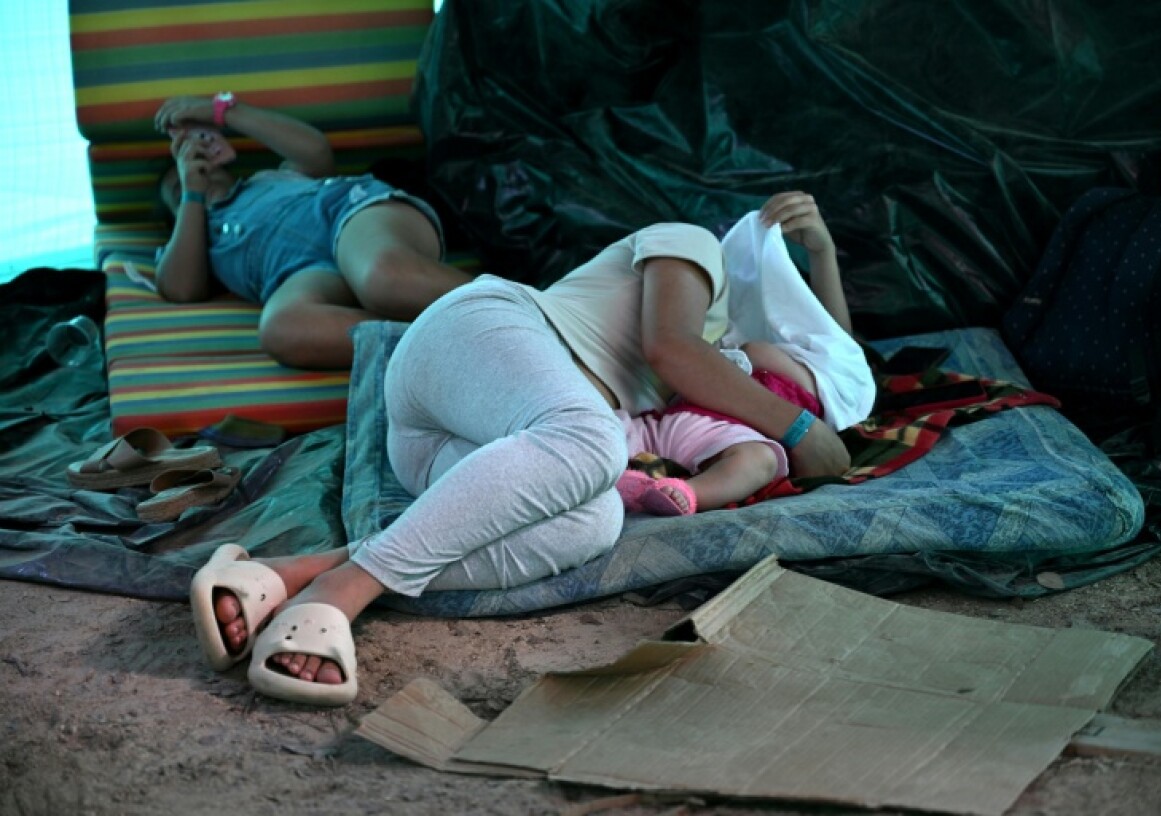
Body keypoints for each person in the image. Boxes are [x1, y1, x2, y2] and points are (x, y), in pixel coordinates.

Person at [190, 191, 852, 705]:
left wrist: (823, 259)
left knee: (595, 520)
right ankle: (343, 592)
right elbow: (670, 348)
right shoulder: (692, 244)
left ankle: (286, 574)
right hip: (477, 333)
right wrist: (802, 430)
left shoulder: (727, 355)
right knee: (592, 442)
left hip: (457, 448)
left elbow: (841, 357)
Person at [153, 94, 473, 369]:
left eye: (198, 163)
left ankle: (503, 302)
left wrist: (224, 111)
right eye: (176, 189)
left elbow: (317, 152)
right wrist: (191, 194)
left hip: (347, 216)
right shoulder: (196, 248)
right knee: (281, 328)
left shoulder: (268, 179)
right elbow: (181, 289)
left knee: (382, 278)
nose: (194, 172)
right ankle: (445, 343)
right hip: (305, 275)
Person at [615, 339, 830, 515]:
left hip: (721, 435)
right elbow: (753, 351)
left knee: (762, 459)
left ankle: (680, 491)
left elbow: (755, 350)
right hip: (683, 417)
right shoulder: (812, 382)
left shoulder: (819, 397)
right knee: (615, 425)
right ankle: (628, 478)